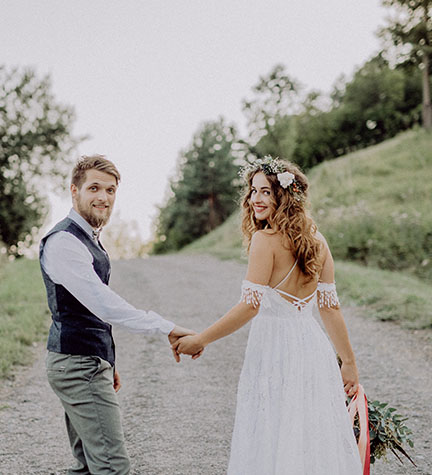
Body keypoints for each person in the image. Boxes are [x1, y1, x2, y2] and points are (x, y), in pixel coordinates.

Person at [173, 156, 363, 474]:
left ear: (284, 196)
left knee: (274, 429)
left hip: (275, 347)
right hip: (312, 348)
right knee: (306, 429)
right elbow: (329, 308)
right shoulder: (318, 241)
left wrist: (200, 339)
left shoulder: (265, 240)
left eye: (265, 191)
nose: (254, 199)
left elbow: (250, 306)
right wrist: (347, 363)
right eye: (252, 190)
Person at [39, 154, 194, 475]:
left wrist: (107, 361)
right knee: (112, 466)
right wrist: (165, 327)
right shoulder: (64, 242)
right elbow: (104, 304)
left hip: (85, 361)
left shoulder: (86, 237)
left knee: (89, 466)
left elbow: (91, 312)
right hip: (77, 365)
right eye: (94, 188)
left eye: (110, 191)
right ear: (74, 191)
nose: (104, 197)